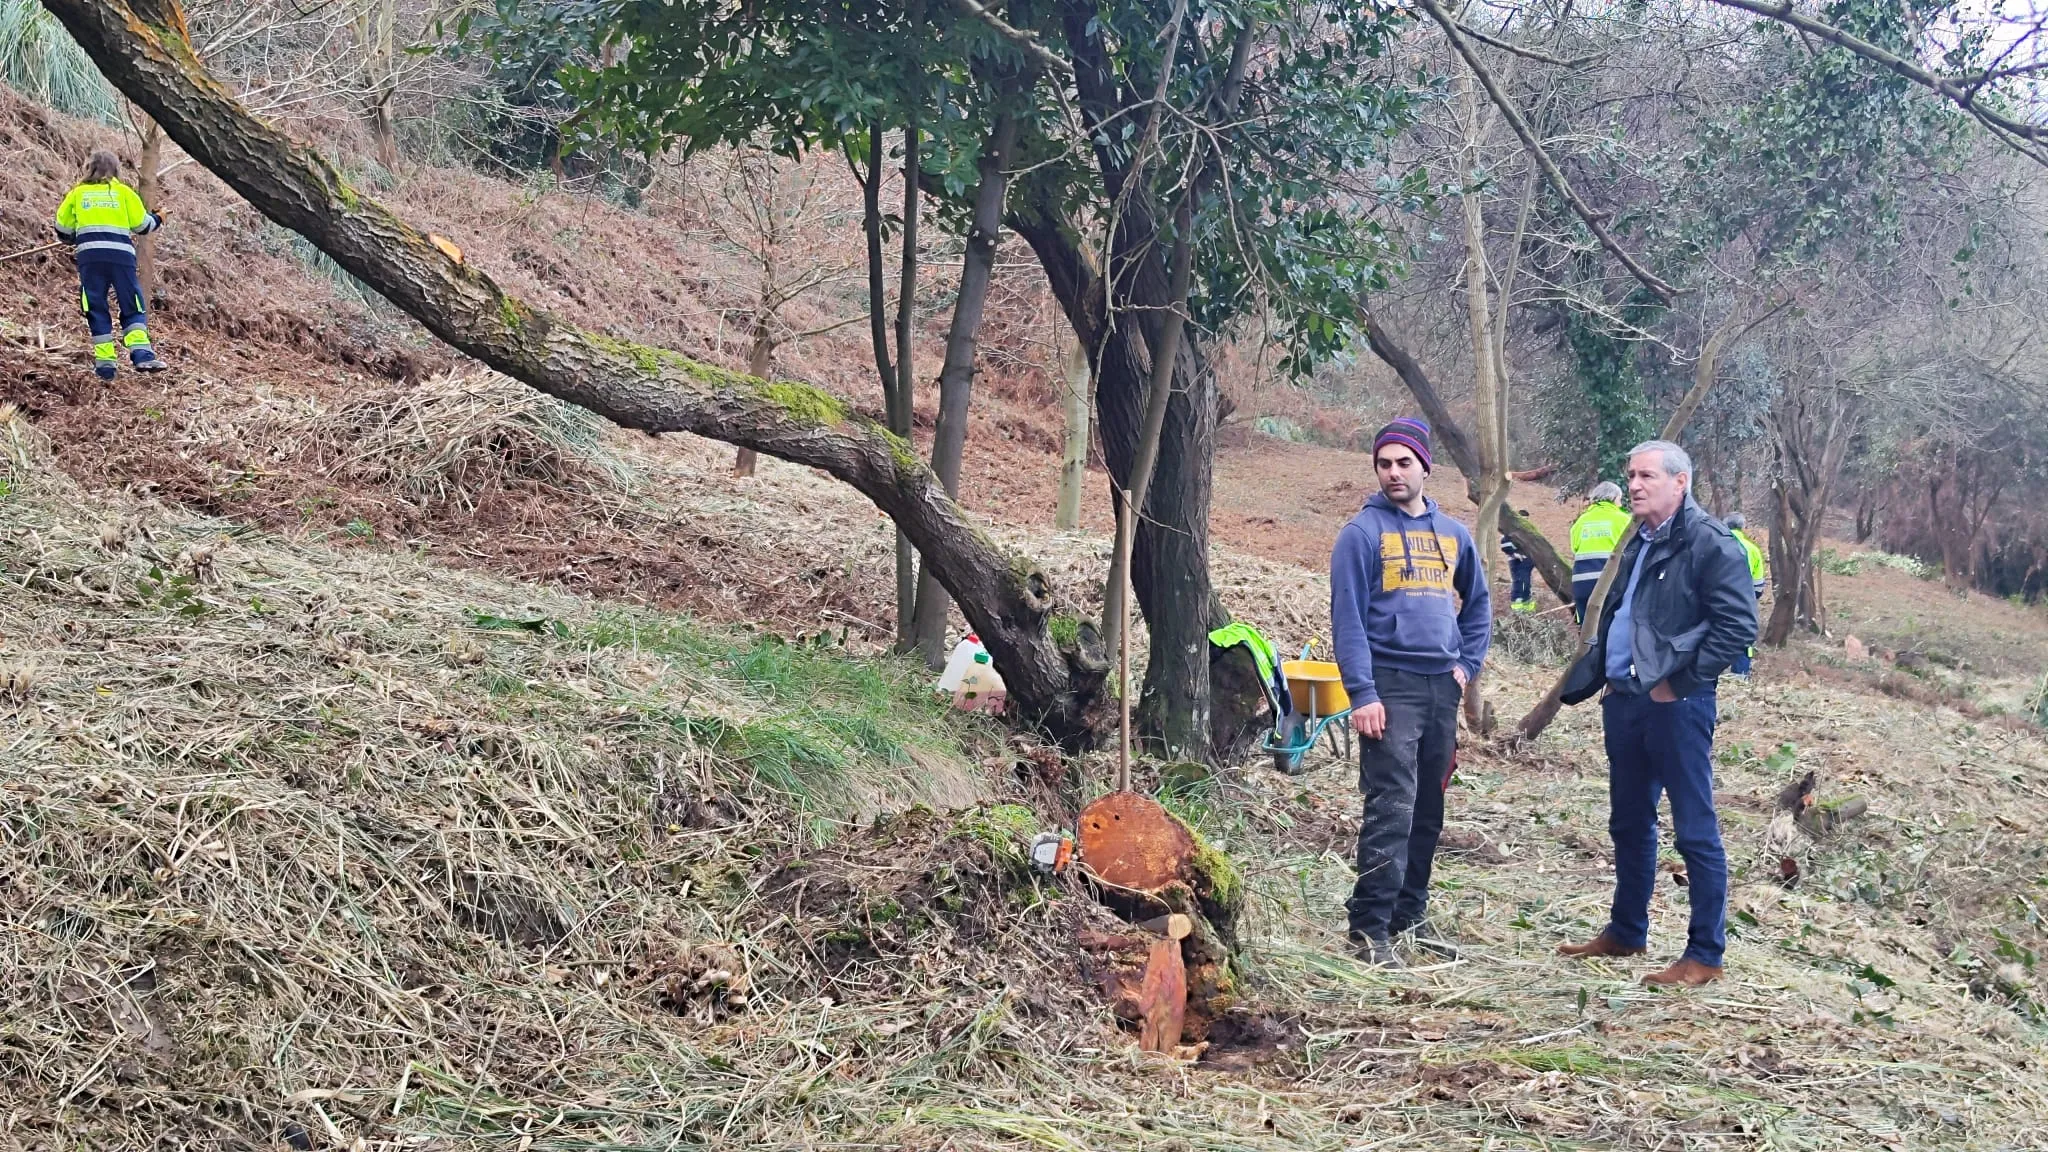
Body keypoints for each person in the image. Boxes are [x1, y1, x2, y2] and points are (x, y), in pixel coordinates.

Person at [1555, 441, 1756, 987]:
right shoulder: (1639, 540)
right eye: (1630, 475)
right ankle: (1625, 932)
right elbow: (1623, 615)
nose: (1635, 485)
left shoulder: (1711, 544)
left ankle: (1705, 955)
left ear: (1681, 482)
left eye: (1646, 476)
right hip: (1625, 702)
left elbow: (1738, 628)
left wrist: (1678, 685)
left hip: (1677, 707)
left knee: (1694, 829)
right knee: (1629, 823)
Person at [1330, 417, 1492, 967]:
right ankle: (1369, 928)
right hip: (1389, 690)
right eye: (1384, 463)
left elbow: (1480, 605)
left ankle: (1409, 917)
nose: (1393, 473)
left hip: (1440, 689)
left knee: (1427, 809)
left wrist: (1466, 665)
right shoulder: (1361, 535)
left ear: (1425, 465)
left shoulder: (1454, 535)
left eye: (1403, 462)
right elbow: (1347, 622)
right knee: (1391, 808)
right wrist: (1362, 694)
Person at [53, 149, 164, 380]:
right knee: (131, 302)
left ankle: (105, 365)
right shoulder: (124, 193)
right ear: (115, 170)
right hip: (121, 258)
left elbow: (63, 230)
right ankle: (142, 354)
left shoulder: (77, 194)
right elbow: (143, 226)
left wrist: (77, 235)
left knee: (95, 305)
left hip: (90, 258)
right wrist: (159, 217)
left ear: (89, 168)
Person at [1569, 482, 1632, 625]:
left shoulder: (1580, 522)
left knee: (1587, 631)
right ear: (1614, 497)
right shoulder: (1623, 520)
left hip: (1582, 584)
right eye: (1619, 499)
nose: (1620, 504)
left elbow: (1574, 548)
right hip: (1610, 584)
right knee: (1610, 628)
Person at [1726, 513, 1767, 676]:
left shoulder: (1716, 544)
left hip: (1717, 600)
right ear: (1743, 528)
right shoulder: (1753, 549)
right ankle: (1741, 674)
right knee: (1744, 639)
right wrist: (1749, 600)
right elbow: (1758, 586)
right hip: (1744, 602)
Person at [1502, 513, 1536, 613]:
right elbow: (1505, 544)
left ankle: (1526, 604)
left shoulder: (1529, 532)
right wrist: (1514, 554)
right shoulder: (1511, 531)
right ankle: (1517, 605)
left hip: (1527, 561)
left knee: (1526, 582)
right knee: (1519, 581)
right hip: (1516, 560)